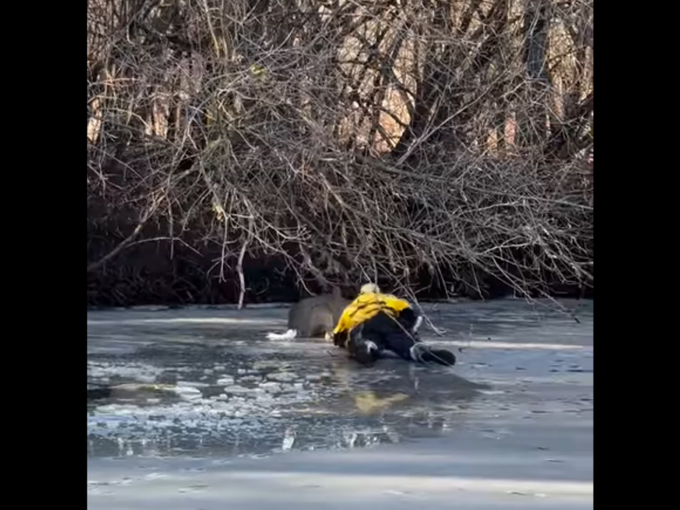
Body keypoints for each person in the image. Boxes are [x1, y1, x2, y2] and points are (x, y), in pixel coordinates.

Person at [328, 283, 457, 367]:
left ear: (361, 293)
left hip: (363, 324)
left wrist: (340, 340)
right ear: (377, 291)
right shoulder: (387, 298)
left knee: (362, 338)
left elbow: (339, 334)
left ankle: (367, 346)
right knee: (399, 338)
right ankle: (416, 350)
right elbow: (411, 313)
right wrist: (409, 330)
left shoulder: (353, 306)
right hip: (387, 319)